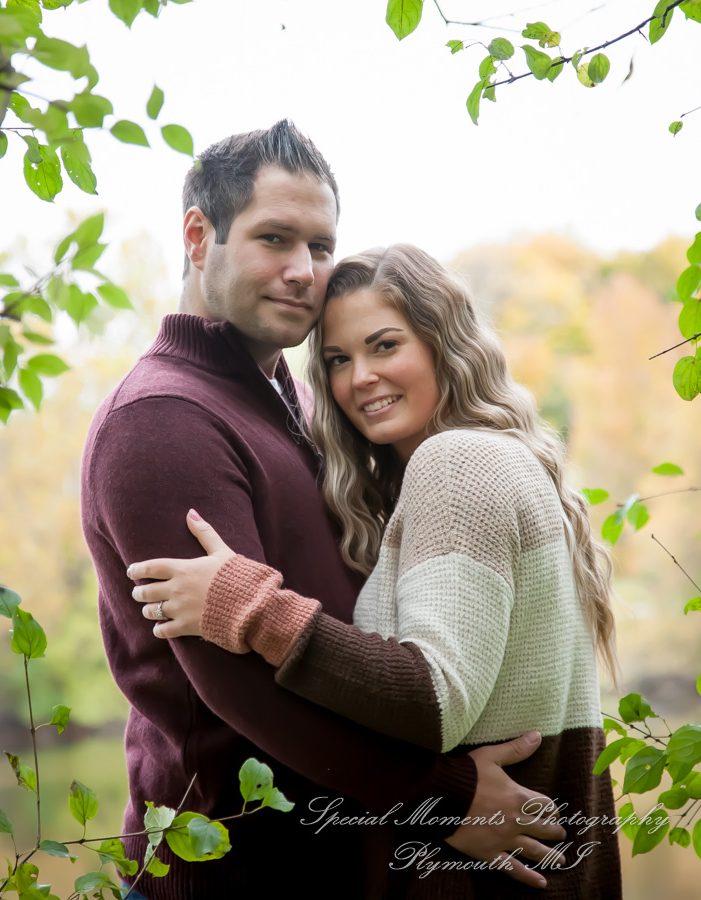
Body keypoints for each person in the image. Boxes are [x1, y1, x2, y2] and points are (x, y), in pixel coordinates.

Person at [81, 121, 566, 900]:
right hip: (232, 878)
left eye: (320, 245)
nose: (304, 271)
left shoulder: (296, 402)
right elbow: (236, 685)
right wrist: (443, 796)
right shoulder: (164, 420)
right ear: (199, 236)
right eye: (276, 239)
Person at [128, 244, 623, 898]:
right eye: (338, 360)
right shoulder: (493, 464)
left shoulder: (458, 465)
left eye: (385, 346)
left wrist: (248, 606)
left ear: (446, 345)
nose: (359, 377)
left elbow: (434, 700)